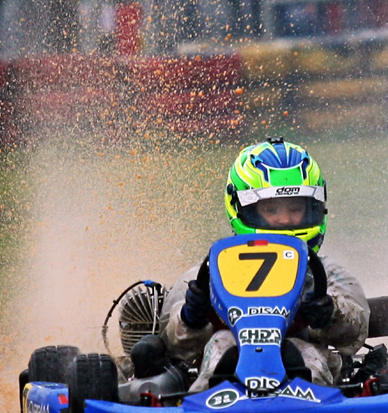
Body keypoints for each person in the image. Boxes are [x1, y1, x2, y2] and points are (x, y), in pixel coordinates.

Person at [151, 137, 370, 393]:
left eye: (295, 208)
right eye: (271, 209)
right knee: (222, 346)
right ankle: (208, 401)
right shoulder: (206, 274)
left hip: (306, 357)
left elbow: (356, 330)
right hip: (228, 353)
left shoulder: (327, 273)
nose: (284, 220)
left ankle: (306, 404)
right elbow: (171, 345)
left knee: (303, 355)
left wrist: (330, 313)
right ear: (243, 209)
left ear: (314, 208)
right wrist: (192, 316)